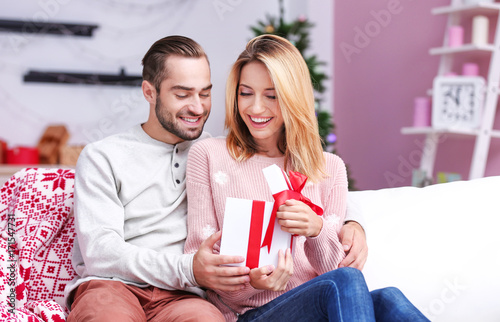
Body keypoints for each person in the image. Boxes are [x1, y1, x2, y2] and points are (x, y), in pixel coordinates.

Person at [65, 35, 367, 321]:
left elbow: (315, 180)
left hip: (183, 296)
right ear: (149, 92)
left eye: (205, 93)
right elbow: (101, 253)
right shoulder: (104, 156)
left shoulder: (207, 149)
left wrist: (352, 222)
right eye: (182, 94)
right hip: (114, 284)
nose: (197, 107)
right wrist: (190, 268)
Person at [184, 34, 429, 321]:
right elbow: (201, 267)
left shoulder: (329, 168)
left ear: (292, 98)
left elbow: (338, 272)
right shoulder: (210, 156)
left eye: (272, 95)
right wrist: (254, 282)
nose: (256, 108)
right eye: (245, 93)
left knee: (389, 298)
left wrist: (317, 228)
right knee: (346, 282)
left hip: (319, 308)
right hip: (250, 314)